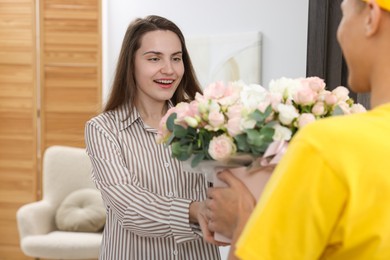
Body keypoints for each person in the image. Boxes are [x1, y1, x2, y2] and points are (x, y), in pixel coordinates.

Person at [205, 0, 390, 259]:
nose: (340, 32)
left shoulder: (328, 147)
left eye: (344, 14)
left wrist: (243, 221)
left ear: (371, 17)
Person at [85, 15, 221, 259]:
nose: (169, 69)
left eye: (176, 58)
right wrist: (194, 210)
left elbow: (222, 188)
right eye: (154, 58)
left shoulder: (203, 120)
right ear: (131, 64)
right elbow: (129, 207)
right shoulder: (103, 129)